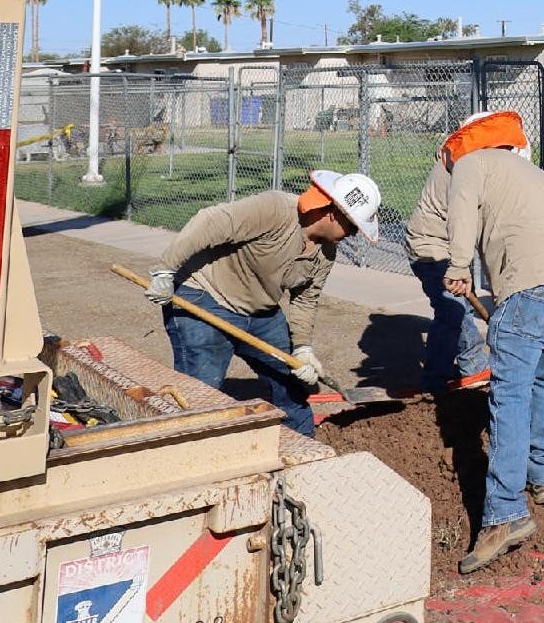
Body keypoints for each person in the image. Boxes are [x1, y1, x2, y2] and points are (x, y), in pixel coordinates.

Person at [440, 111, 544, 573]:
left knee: (508, 394)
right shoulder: (533, 174)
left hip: (529, 287)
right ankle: (542, 476)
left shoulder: (472, 163)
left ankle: (505, 513)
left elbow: (461, 212)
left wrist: (458, 266)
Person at [143, 170, 382, 436]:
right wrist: (165, 270)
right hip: (206, 295)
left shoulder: (326, 252)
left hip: (260, 311)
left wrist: (302, 348)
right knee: (200, 394)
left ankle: (303, 446)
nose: (353, 235)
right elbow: (210, 221)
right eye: (353, 227)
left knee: (291, 384)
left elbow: (306, 298)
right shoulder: (275, 209)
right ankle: (190, 448)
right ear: (333, 213)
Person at [405, 114, 494, 397]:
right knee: (453, 311)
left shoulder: (462, 156)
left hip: (448, 248)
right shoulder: (464, 166)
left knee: (458, 311)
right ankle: (460, 375)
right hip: (430, 248)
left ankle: (461, 372)